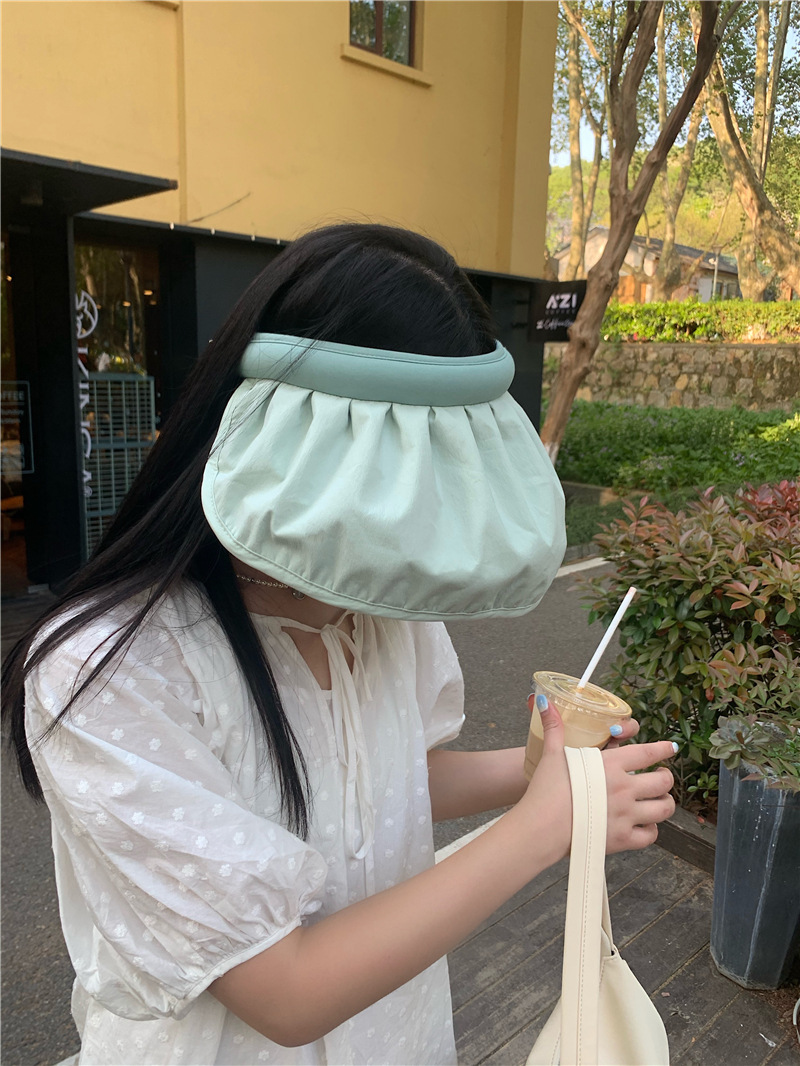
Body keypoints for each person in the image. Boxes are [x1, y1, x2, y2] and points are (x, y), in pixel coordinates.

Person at [2, 223, 677, 1066]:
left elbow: (390, 780)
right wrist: (543, 827)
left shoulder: (383, 596)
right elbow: (282, 991)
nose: (402, 529)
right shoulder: (108, 669)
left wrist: (538, 772)